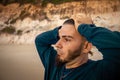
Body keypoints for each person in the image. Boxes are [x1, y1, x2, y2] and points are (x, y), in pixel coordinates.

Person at [35, 18, 120, 80]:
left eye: (67, 39)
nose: (57, 44)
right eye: (59, 38)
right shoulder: (54, 63)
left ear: (86, 47)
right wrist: (61, 31)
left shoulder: (100, 72)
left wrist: (85, 28)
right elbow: (40, 41)